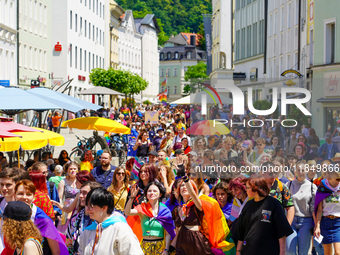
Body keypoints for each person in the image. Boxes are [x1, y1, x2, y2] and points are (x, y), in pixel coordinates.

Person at [172, 177, 234, 254]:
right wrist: (169, 248)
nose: (184, 187)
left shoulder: (197, 205)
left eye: (186, 185)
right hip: (182, 245)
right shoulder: (176, 209)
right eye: (181, 186)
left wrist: (185, 177)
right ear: (178, 191)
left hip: (197, 244)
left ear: (193, 189)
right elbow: (178, 233)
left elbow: (192, 194)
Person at [234, 178, 293, 255]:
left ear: (256, 189)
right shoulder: (248, 205)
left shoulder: (274, 204)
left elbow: (282, 231)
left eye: (248, 188)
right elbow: (241, 230)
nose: (246, 190)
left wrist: (282, 252)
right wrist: (238, 251)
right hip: (248, 250)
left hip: (269, 251)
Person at [78, 188, 143, 255]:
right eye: (87, 205)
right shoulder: (87, 231)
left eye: (92, 205)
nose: (88, 209)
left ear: (104, 207)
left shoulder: (120, 228)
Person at [14, 180, 68, 255]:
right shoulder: (10, 214)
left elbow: (56, 251)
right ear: (14, 196)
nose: (24, 197)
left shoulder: (43, 220)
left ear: (33, 197)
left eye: (28, 194)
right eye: (20, 194)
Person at [125, 182, 175, 254]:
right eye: (149, 191)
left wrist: (166, 250)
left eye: (155, 191)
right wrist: (132, 197)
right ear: (146, 194)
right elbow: (127, 212)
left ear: (160, 194)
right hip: (145, 247)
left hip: (160, 247)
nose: (152, 193)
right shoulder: (142, 209)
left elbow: (168, 233)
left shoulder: (165, 211)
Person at [285, 163, 319, 255]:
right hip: (291, 221)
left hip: (306, 221)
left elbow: (313, 208)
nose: (301, 172)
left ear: (307, 171)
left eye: (303, 170)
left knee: (303, 252)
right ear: (295, 171)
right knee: (289, 250)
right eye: (299, 170)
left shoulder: (312, 187)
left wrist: (317, 225)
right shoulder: (288, 185)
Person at [66, 181, 102, 254]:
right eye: (80, 192)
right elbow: (69, 242)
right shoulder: (75, 219)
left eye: (84, 193)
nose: (80, 196)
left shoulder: (101, 220)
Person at [314, 168, 340, 255]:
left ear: (337, 175)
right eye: (327, 173)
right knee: (328, 253)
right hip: (325, 222)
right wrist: (317, 226)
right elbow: (319, 209)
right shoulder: (322, 187)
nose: (328, 175)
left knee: (338, 252)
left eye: (331, 173)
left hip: (338, 223)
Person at [57, 161, 80, 234]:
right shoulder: (63, 181)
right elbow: (59, 198)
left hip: (77, 207)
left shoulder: (80, 181)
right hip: (66, 208)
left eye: (74, 169)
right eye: (70, 169)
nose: (73, 170)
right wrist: (60, 211)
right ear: (67, 170)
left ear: (78, 170)